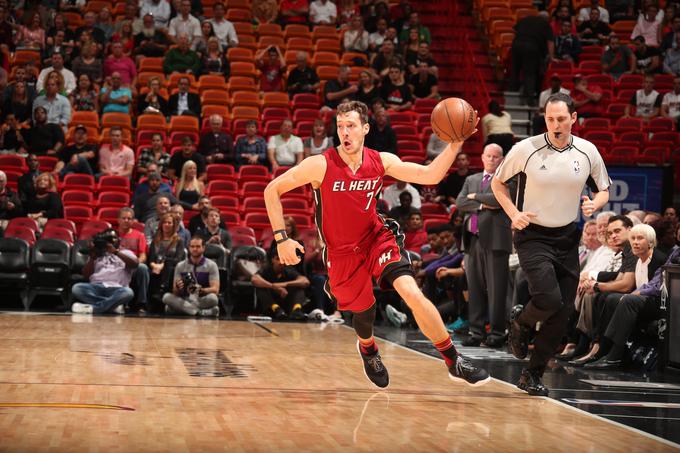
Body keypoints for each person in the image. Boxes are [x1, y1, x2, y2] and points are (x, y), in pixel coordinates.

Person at [263, 100, 490, 388]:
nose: (345, 132)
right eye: (340, 126)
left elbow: (428, 175)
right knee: (364, 312)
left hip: (376, 237)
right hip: (342, 251)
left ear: (365, 129)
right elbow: (273, 189)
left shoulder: (380, 161)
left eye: (351, 126)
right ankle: (368, 347)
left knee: (411, 291)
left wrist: (455, 145)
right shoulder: (319, 164)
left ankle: (453, 359)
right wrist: (281, 238)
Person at [491, 92, 610, 396]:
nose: (555, 124)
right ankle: (520, 322)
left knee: (563, 311)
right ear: (544, 118)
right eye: (549, 118)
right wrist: (514, 213)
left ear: (573, 119)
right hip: (532, 235)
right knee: (549, 299)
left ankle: (532, 373)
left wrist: (594, 204)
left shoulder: (587, 151)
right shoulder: (525, 149)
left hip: (566, 236)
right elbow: (497, 182)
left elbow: (603, 190)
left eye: (561, 119)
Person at [590, 230, 680, 368]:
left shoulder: (658, 257)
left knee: (628, 300)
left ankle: (615, 355)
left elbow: (659, 286)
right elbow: (659, 278)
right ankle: (602, 348)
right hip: (656, 297)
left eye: (640, 238)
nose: (635, 242)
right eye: (633, 238)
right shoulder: (675, 252)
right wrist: (636, 292)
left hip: (665, 301)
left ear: (650, 241)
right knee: (611, 299)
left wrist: (636, 293)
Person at [455, 144, 510, 348]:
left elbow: (497, 201)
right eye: (489, 156)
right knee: (475, 287)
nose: (492, 159)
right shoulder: (472, 179)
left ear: (502, 159)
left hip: (496, 241)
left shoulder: (506, 179)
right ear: (482, 157)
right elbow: (460, 203)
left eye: (496, 156)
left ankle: (496, 333)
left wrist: (475, 197)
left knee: (497, 289)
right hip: (472, 240)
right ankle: (476, 332)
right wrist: (481, 204)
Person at [71, 229, 138, 314]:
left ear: (119, 240)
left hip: (117, 289)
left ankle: (93, 308)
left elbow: (135, 264)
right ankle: (112, 306)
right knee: (77, 288)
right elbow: (86, 275)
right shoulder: (98, 254)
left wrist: (115, 252)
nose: (111, 241)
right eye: (108, 239)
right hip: (96, 287)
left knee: (128, 292)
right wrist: (92, 257)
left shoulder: (126, 253)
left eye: (113, 238)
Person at [162, 236, 220, 316]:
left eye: (198, 246)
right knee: (166, 297)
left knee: (213, 298)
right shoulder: (180, 266)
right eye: (192, 246)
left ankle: (187, 310)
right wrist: (178, 287)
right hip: (184, 298)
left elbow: (215, 290)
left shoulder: (211, 265)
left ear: (203, 248)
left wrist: (201, 290)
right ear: (189, 248)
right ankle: (200, 312)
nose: (195, 249)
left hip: (201, 299)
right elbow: (175, 291)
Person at [509, 11, 555, 106]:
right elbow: (550, 41)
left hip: (516, 45)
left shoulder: (526, 19)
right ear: (547, 19)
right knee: (529, 72)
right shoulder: (545, 24)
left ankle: (512, 91)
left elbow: (514, 31)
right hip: (532, 47)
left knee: (515, 69)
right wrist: (551, 57)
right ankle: (529, 98)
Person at [252, 246, 310, 320]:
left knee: (299, 288)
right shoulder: (266, 269)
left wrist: (285, 284)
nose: (280, 262)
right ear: (272, 259)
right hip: (270, 306)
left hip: (286, 302)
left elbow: (305, 281)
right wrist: (273, 286)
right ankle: (276, 309)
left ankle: (296, 310)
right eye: (278, 259)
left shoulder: (288, 270)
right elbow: (254, 279)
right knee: (260, 288)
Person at [147, 212, 186, 311]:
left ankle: (162, 289)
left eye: (169, 223)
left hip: (171, 268)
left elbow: (178, 259)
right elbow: (150, 259)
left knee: (168, 264)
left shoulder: (179, 241)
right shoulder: (155, 240)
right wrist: (154, 265)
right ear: (161, 224)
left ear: (174, 225)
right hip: (155, 267)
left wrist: (162, 265)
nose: (167, 225)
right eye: (165, 222)